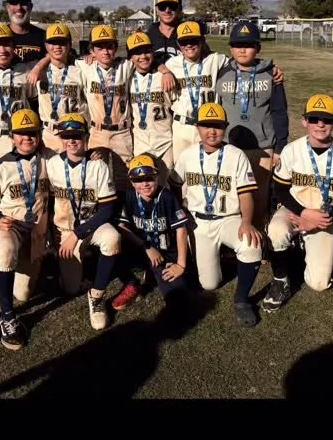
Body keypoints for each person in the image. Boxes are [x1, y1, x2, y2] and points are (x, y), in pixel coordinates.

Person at [262, 93, 333, 313]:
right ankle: (280, 280)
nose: (320, 124)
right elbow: (280, 190)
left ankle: (304, 242)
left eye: (326, 120)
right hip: (294, 208)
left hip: (326, 216)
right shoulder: (292, 150)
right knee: (277, 230)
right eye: (314, 118)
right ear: (304, 121)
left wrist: (319, 220)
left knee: (318, 284)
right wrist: (304, 213)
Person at [168, 103, 263, 326]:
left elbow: (246, 194)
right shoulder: (188, 154)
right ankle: (219, 259)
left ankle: (242, 300)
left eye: (218, 126)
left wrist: (247, 222)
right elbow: (175, 184)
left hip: (229, 218)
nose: (212, 131)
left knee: (251, 245)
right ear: (197, 127)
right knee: (210, 284)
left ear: (225, 127)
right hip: (198, 221)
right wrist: (180, 209)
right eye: (206, 125)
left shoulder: (236, 155)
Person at [45, 113, 121, 331]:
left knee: (113, 239)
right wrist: (52, 236)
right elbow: (47, 201)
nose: (71, 140)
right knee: (70, 289)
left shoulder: (98, 166)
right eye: (66, 136)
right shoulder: (52, 164)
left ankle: (96, 295)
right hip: (64, 228)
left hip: (92, 225)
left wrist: (77, 235)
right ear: (60, 139)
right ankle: (70, 273)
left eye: (77, 135)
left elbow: (107, 209)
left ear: (86, 137)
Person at [0, 108, 51, 349]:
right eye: (21, 133)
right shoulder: (1, 166)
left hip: (36, 231)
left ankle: (25, 270)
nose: (27, 138)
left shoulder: (49, 159)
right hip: (11, 225)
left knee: (23, 294)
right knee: (6, 247)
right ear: (12, 137)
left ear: (39, 134)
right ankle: (7, 317)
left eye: (32, 132)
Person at [216, 20, 288, 228]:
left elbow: (279, 112)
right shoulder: (222, 72)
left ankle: (259, 236)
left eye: (248, 45)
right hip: (230, 146)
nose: (242, 50)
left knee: (259, 195)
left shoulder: (270, 74)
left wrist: (279, 148)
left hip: (262, 147)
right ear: (231, 48)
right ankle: (234, 237)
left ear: (258, 48)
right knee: (231, 195)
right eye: (238, 45)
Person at [111, 154, 190, 312]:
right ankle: (132, 283)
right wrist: (146, 246)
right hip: (142, 249)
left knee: (178, 297)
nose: (144, 184)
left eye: (149, 178)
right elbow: (122, 226)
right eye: (138, 180)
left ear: (157, 176)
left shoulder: (166, 196)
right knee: (113, 247)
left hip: (165, 253)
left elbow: (181, 229)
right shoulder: (130, 197)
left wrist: (181, 264)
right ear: (131, 182)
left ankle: (153, 275)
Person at [158, 20, 229, 163]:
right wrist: (164, 70)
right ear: (178, 44)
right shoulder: (172, 64)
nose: (189, 45)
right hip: (182, 126)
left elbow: (241, 62)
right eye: (184, 42)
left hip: (208, 126)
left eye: (193, 40)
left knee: (208, 167)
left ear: (201, 41)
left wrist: (270, 68)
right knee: (180, 169)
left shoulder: (215, 59)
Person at [76, 24, 135, 192]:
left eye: (109, 47)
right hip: (98, 131)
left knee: (125, 177)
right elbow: (59, 58)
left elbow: (148, 59)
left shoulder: (125, 66)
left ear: (116, 48)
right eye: (99, 48)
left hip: (121, 131)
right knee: (95, 174)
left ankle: (124, 208)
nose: (105, 52)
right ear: (92, 51)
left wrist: (164, 70)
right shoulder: (84, 66)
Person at [126, 30, 175, 185]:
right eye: (137, 53)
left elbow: (175, 105)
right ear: (130, 57)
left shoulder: (164, 77)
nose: (143, 56)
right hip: (140, 143)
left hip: (165, 141)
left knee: (167, 184)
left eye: (147, 51)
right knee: (144, 185)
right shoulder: (127, 78)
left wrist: (165, 71)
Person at [0, 22, 32, 165]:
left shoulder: (25, 70)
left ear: (14, 47)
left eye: (7, 44)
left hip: (22, 136)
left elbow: (33, 101)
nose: (2, 50)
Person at [32, 23, 87, 152]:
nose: (57, 47)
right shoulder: (39, 72)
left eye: (62, 42)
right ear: (46, 46)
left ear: (70, 44)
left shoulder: (79, 70)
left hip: (74, 133)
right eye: (53, 43)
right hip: (49, 133)